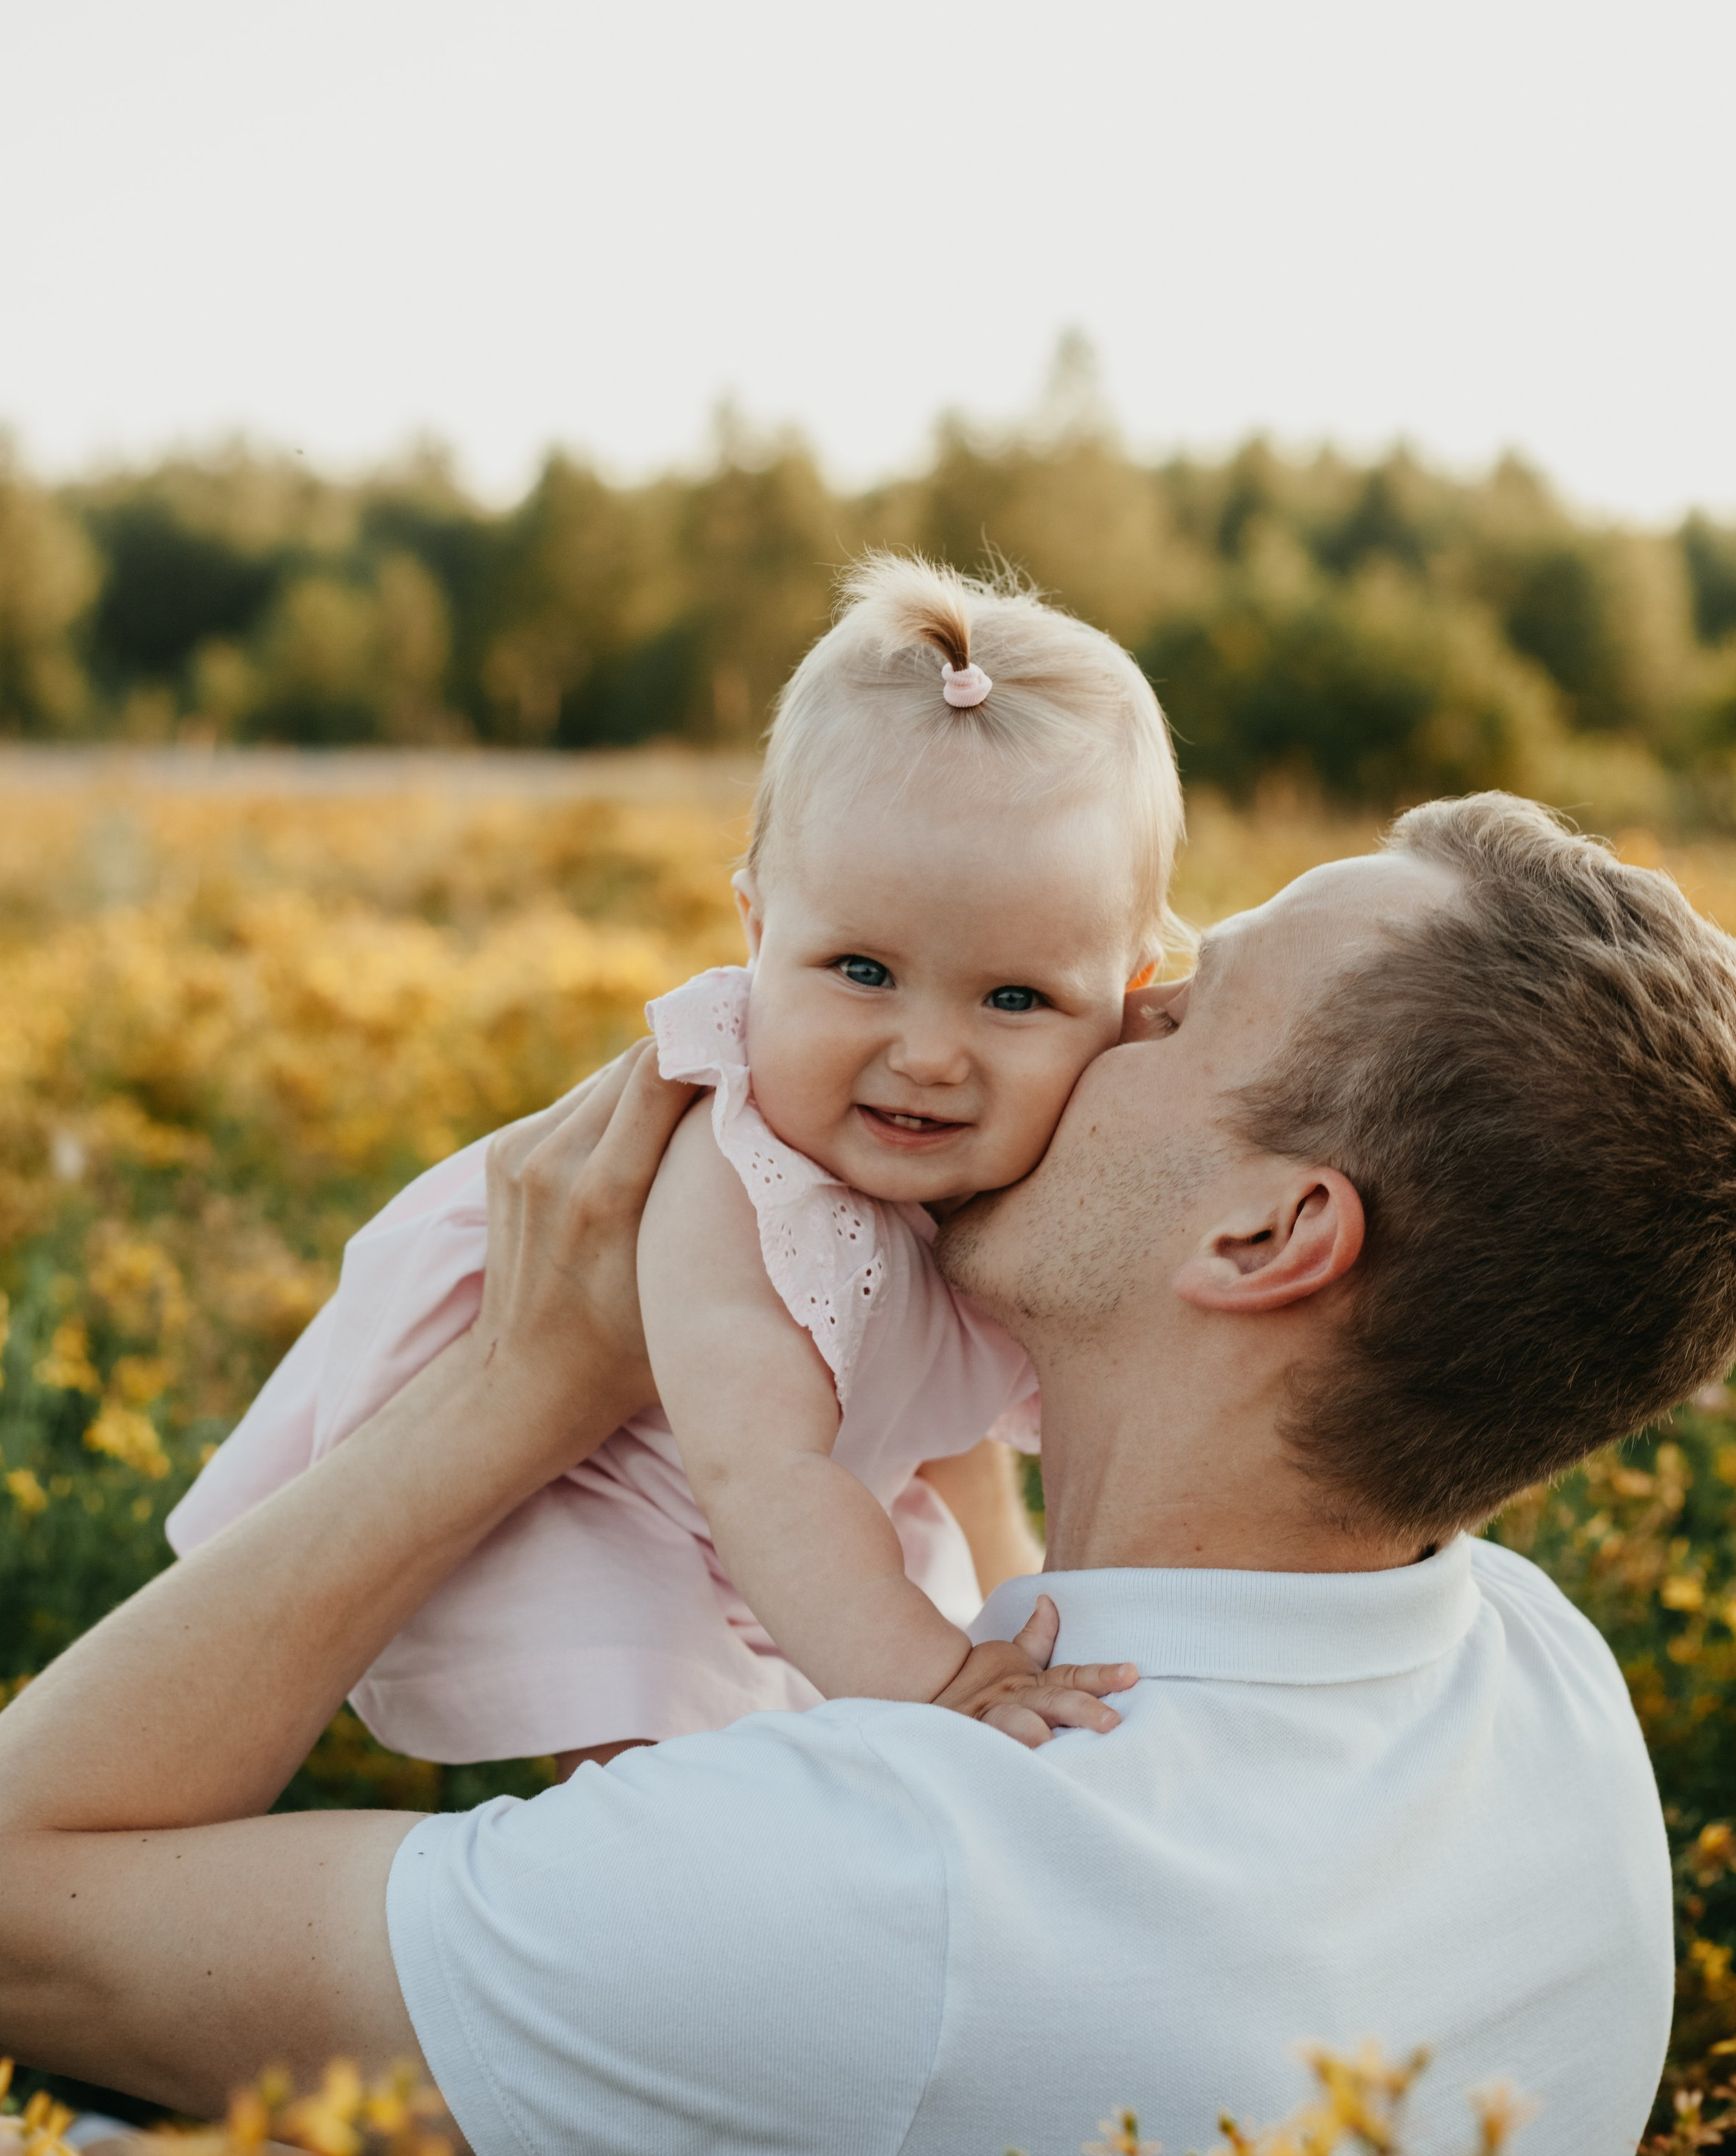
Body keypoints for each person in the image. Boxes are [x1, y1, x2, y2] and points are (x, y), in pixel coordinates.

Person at [0, 794, 1736, 2156]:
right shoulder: (1539, 1673)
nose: (1116, 992)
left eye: (1184, 1006)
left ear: (1271, 1234)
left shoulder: (899, 1885)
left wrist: (526, 1380)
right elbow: (910, 2035)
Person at [169, 553, 1183, 1765]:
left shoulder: (1055, 1142)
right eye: (861, 971)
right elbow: (763, 1477)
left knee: (866, 1682)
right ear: (758, 930)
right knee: (675, 1774)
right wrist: (945, 1678)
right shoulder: (737, 1171)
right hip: (602, 1500)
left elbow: (992, 1397)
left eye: (1014, 997)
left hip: (824, 1506)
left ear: (1127, 999)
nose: (926, 1055)